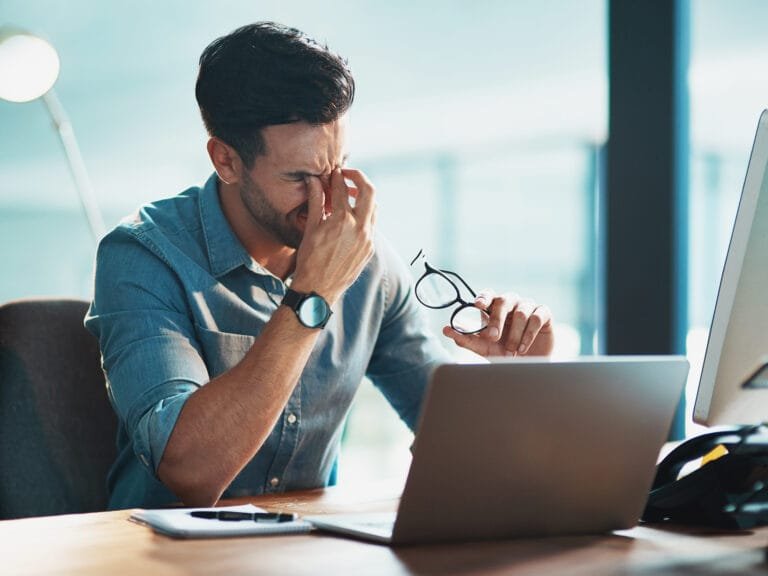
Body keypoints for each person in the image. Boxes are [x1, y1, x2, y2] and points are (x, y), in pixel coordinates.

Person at [85, 22, 555, 509]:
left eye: (336, 168)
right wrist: (313, 294)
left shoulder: (370, 267)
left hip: (310, 542)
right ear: (226, 160)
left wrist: (521, 377)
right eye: (299, 178)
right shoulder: (142, 257)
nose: (326, 200)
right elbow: (190, 471)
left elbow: (460, 446)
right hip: (161, 545)